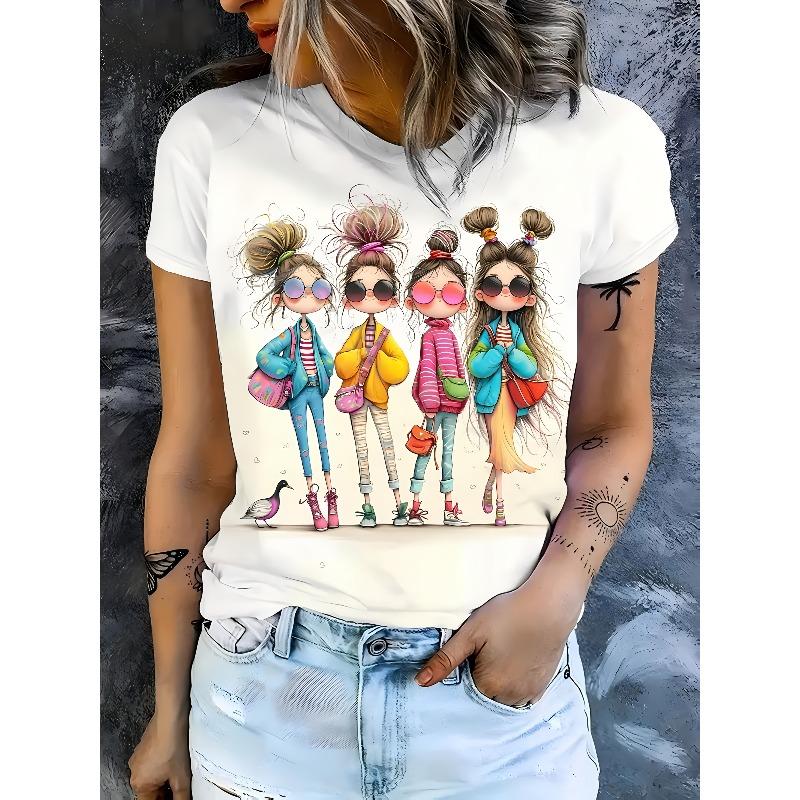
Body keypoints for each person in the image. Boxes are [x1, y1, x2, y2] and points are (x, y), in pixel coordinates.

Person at [129, 1, 679, 798]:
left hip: (503, 707)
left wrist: (557, 595)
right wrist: (169, 707)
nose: (229, 1)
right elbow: (192, 462)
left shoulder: (602, 143)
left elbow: (611, 425)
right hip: (260, 692)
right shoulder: (215, 141)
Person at [463, 206, 562, 527]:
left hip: (513, 396)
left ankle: (497, 497)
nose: (505, 293)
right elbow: (477, 367)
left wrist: (512, 352)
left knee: (501, 444)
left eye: (517, 287)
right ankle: (498, 500)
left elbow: (529, 368)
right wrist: (496, 351)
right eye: (495, 286)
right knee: (500, 444)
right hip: (491, 397)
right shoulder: (488, 332)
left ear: (528, 298)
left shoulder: (517, 332)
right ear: (481, 294)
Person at [241, 215, 339, 531]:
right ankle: (314, 504)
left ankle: (332, 497)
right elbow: (264, 355)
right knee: (304, 444)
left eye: (318, 288)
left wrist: (326, 370)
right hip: (297, 393)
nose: (309, 295)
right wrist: (288, 368)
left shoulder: (313, 331)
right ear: (280, 297)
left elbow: (325, 355)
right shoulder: (290, 334)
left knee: (323, 441)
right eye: (296, 289)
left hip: (316, 391)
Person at [330, 199, 411, 527]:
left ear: (392, 296)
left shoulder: (385, 335)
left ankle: (398, 501)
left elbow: (401, 367)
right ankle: (367, 505)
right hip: (355, 398)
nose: (369, 297)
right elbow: (341, 365)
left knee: (387, 445)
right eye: (357, 290)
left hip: (377, 398)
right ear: (348, 297)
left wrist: (379, 362)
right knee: (361, 449)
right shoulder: (355, 334)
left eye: (381, 289)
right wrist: (362, 356)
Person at [403, 227, 470, 526]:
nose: (440, 299)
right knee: (426, 450)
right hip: (435, 405)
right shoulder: (430, 336)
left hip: (452, 404)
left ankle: (448, 506)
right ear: (413, 299)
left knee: (447, 454)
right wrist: (430, 403)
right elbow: (427, 368)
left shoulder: (450, 335)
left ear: (463, 301)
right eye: (426, 292)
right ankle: (415, 505)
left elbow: (458, 368)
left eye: (451, 292)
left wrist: (461, 396)